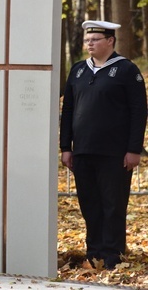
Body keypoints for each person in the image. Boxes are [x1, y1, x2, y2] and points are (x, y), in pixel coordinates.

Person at [60, 20, 147, 270]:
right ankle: (94, 253)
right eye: (87, 40)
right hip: (84, 151)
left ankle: (113, 256)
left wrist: (133, 149)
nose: (89, 43)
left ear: (110, 41)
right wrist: (66, 146)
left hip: (115, 153)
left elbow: (139, 111)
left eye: (95, 39)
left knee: (113, 205)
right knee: (90, 204)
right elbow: (68, 111)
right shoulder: (78, 70)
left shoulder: (126, 70)